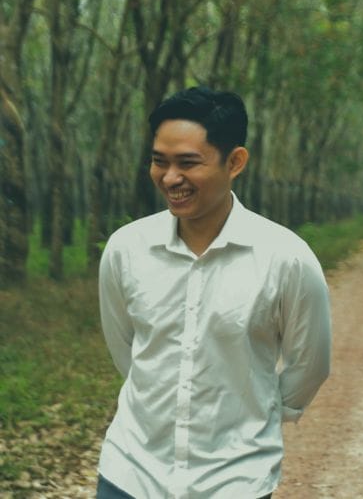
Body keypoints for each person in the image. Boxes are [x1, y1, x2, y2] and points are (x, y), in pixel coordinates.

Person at [97, 87, 332, 498]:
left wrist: (257, 413)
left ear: (235, 162)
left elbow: (309, 364)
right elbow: (127, 350)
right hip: (131, 470)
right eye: (159, 161)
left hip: (234, 479)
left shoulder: (286, 258)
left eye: (188, 163)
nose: (170, 178)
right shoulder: (126, 249)